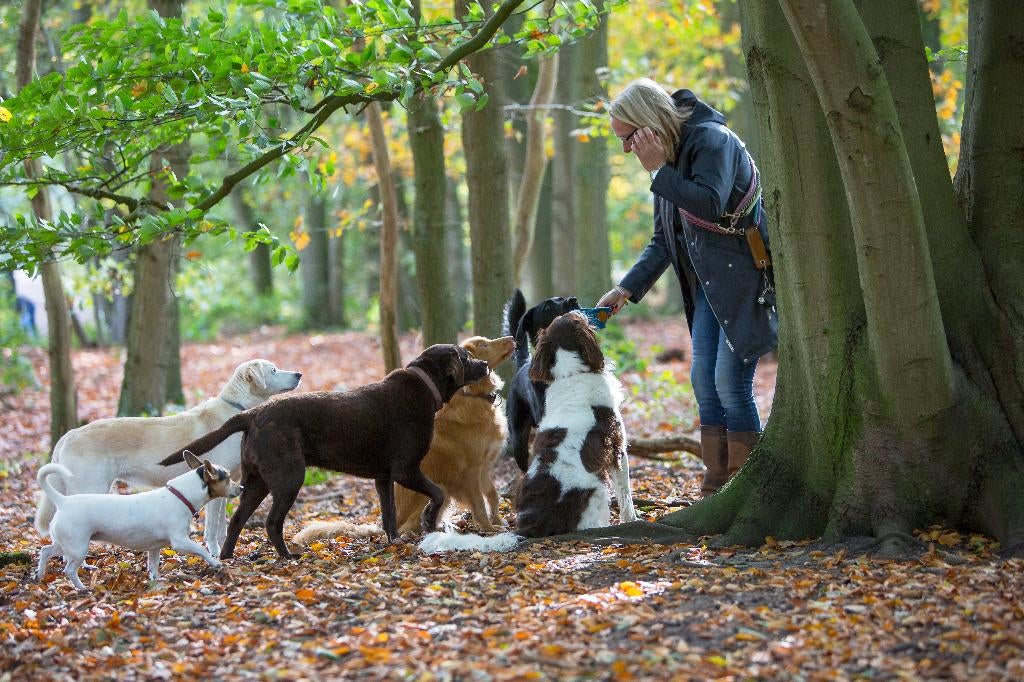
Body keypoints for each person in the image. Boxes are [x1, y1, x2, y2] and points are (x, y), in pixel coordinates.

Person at [597, 79, 777, 497]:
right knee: (703, 383)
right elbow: (664, 240)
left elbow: (711, 204)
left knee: (730, 384)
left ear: (647, 125)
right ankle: (716, 488)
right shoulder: (668, 159)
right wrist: (626, 289)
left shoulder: (711, 140)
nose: (626, 149)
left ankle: (746, 491)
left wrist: (659, 170)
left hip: (741, 282)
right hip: (706, 290)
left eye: (628, 138)